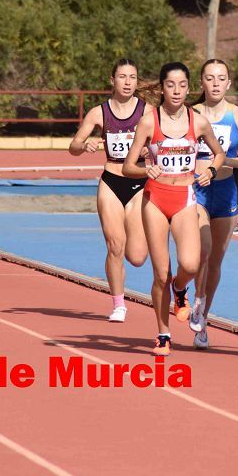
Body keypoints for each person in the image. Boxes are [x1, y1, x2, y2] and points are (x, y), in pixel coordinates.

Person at [122, 62, 224, 356]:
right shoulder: (149, 122)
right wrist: (145, 171)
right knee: (160, 272)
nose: (177, 91)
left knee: (191, 265)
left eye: (182, 85)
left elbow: (218, 155)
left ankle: (180, 290)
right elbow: (129, 166)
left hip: (184, 198)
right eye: (170, 85)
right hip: (155, 199)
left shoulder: (199, 121)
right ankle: (163, 333)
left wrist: (211, 172)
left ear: (189, 88)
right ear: (162, 88)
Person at [69, 59, 152, 322]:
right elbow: (73, 146)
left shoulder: (148, 111)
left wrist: (153, 150)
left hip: (139, 182)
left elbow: (164, 140)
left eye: (133, 77)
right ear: (112, 80)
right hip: (111, 181)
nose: (128, 83)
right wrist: (85, 146)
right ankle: (118, 304)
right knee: (115, 245)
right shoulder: (98, 113)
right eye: (122, 77)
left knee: (137, 256)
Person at [189, 59, 238, 349]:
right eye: (210, 78)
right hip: (195, 192)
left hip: (226, 191)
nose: (215, 83)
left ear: (229, 83)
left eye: (221, 78)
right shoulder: (190, 114)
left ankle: (203, 314)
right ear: (202, 82)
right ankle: (192, 294)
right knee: (203, 250)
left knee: (216, 261)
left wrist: (222, 161)